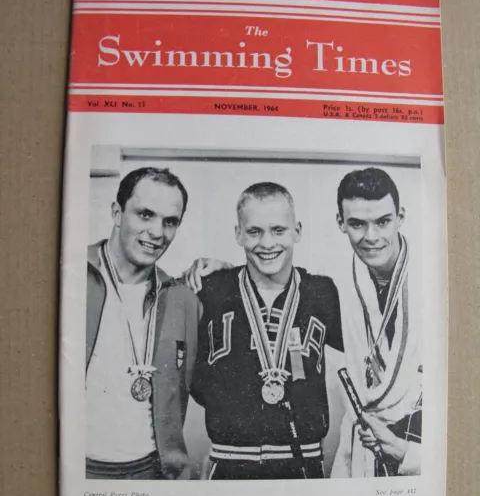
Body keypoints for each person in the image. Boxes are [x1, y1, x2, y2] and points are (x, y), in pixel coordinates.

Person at [190, 182, 343, 480]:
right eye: (254, 231)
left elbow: (366, 342)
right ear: (238, 234)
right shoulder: (213, 289)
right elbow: (194, 379)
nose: (267, 243)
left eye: (278, 230)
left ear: (297, 231)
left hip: (304, 462)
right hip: (230, 463)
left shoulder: (322, 292)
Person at [86, 167, 200, 480]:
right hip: (79, 471)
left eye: (170, 221)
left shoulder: (184, 301)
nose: (157, 232)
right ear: (117, 213)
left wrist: (228, 272)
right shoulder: (68, 276)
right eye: (145, 214)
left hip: (153, 473)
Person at [330, 167, 422, 477]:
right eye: (357, 224)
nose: (371, 237)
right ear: (341, 223)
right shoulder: (336, 286)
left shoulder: (438, 277)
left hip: (421, 442)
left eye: (383, 221)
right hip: (366, 441)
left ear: (401, 216)